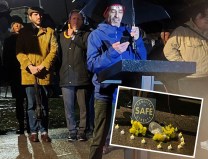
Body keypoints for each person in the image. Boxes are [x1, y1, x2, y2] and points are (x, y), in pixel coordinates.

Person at [87, 0, 147, 158]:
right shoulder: (96, 35)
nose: (116, 15)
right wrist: (112, 52)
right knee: (99, 137)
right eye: (113, 11)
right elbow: (92, 64)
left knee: (128, 136)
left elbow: (142, 61)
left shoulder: (130, 33)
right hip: (104, 93)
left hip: (126, 91)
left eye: (120, 11)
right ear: (106, 13)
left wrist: (138, 40)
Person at [163, 3, 208, 159]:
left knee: (206, 112)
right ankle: (188, 143)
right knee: (191, 113)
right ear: (196, 17)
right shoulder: (182, 31)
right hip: (189, 80)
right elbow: (168, 50)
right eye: (205, 16)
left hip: (206, 79)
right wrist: (182, 65)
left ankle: (203, 140)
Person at [16, 7, 58, 142]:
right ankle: (33, 131)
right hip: (29, 74)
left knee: (44, 104)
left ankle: (44, 131)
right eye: (35, 14)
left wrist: (43, 66)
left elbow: (53, 51)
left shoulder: (50, 32)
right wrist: (29, 66)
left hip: (44, 73)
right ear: (30, 17)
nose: (39, 17)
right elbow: (19, 52)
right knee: (31, 104)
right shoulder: (23, 32)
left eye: (40, 14)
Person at [59, 9, 92, 141]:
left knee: (83, 106)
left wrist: (74, 36)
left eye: (79, 19)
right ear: (69, 20)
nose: (76, 21)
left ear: (83, 21)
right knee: (69, 107)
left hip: (82, 76)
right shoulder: (61, 35)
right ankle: (72, 131)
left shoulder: (86, 35)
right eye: (74, 18)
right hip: (66, 77)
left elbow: (86, 47)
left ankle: (83, 130)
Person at [2, 15, 29, 134]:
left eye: (19, 24)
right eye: (15, 24)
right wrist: (7, 76)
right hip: (15, 75)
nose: (17, 26)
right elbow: (6, 59)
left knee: (29, 100)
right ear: (12, 26)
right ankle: (21, 124)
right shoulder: (8, 41)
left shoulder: (27, 38)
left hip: (26, 73)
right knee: (19, 101)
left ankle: (29, 124)